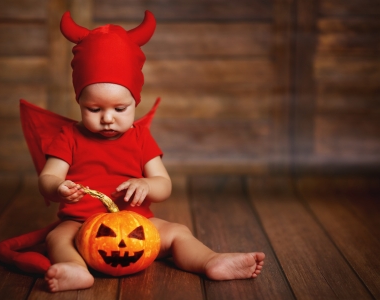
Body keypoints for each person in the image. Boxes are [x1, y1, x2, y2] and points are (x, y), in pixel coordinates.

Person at [39, 11, 265, 292]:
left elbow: (164, 185)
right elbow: (48, 176)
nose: (107, 118)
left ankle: (211, 261)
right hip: (81, 223)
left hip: (136, 226)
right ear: (79, 102)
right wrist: (58, 188)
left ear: (135, 102)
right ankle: (75, 268)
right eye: (94, 109)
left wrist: (146, 184)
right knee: (58, 238)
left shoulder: (140, 137)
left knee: (178, 232)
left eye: (119, 109)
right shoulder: (68, 136)